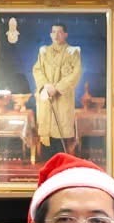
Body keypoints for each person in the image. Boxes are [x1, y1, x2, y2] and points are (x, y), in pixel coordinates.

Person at [33, 24, 82, 159]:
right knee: (47, 135)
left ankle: (62, 165)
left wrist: (57, 88)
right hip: (47, 96)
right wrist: (45, 85)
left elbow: (75, 74)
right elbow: (37, 70)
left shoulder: (72, 52)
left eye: (60, 32)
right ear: (50, 34)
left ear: (65, 35)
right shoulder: (43, 52)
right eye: (53, 32)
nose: (56, 35)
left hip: (62, 98)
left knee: (62, 135)